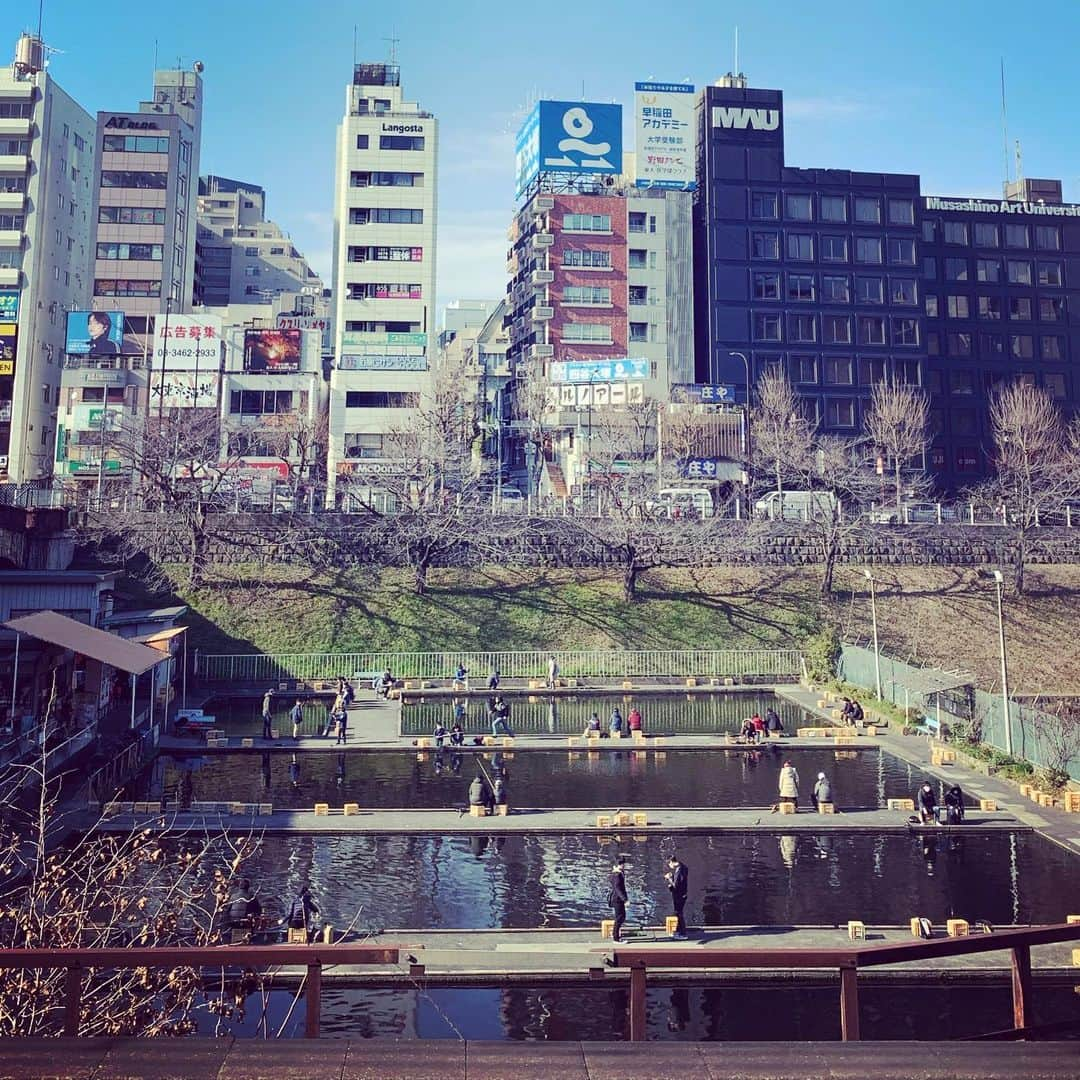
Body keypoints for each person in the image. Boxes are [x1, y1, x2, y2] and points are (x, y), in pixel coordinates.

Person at [664, 855, 689, 939]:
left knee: (678, 913)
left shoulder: (679, 871)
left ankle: (682, 933)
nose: (670, 867)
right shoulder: (683, 867)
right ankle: (677, 931)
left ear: (671, 862)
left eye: (669, 865)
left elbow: (676, 886)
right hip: (682, 894)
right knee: (677, 913)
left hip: (679, 896)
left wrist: (669, 879)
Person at [608, 860, 629, 942]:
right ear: (616, 866)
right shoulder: (617, 875)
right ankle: (616, 938)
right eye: (621, 864)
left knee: (622, 917)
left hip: (619, 899)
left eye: (623, 864)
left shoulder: (620, 874)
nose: (623, 866)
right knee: (619, 918)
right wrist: (625, 900)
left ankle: (615, 933)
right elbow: (617, 889)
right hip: (617, 899)